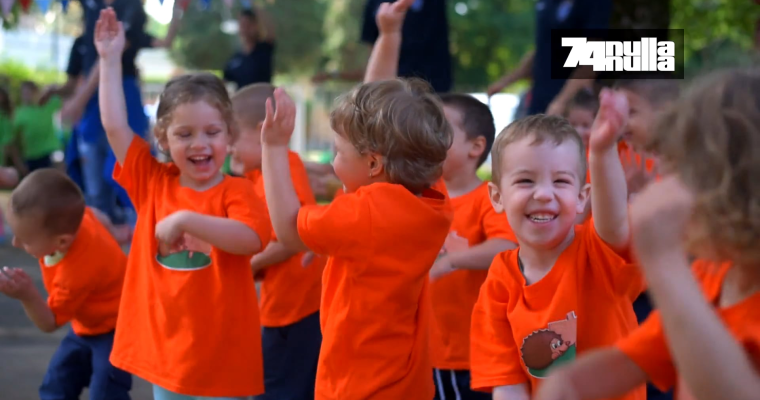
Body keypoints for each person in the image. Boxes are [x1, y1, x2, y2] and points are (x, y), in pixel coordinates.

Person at [535, 68, 760, 400]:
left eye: (682, 168)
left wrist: (663, 261)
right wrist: (565, 385)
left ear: (741, 186)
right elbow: (626, 363)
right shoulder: (711, 276)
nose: (665, 180)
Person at [95, 8, 271, 399]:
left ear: (229, 135)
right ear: (163, 139)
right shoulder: (152, 182)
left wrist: (188, 221)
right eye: (184, 133)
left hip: (221, 360)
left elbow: (251, 239)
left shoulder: (237, 191)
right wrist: (110, 60)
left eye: (212, 132)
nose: (200, 144)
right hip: (167, 357)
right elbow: (113, 125)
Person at [260, 70, 453, 400]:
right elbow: (394, 131)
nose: (333, 160)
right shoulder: (433, 200)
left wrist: (274, 147)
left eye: (337, 152)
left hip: (357, 383)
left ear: (374, 163)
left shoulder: (367, 213)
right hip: (406, 382)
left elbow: (289, 231)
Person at [363, 3, 518, 398]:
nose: (427, 137)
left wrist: (451, 262)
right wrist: (388, 35)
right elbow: (371, 113)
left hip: (472, 356)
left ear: (476, 147)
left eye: (441, 129)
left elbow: (506, 246)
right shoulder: (420, 194)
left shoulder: (488, 199)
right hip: (429, 355)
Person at [469, 92, 646, 400]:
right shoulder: (499, 280)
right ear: (497, 197)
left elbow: (615, 222)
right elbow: (507, 383)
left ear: (582, 197)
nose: (543, 194)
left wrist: (602, 152)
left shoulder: (597, 253)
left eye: (561, 182)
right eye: (525, 181)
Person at [0, 168, 130, 400]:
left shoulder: (75, 275)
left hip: (116, 328)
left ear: (61, 241)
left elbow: (49, 322)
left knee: (106, 391)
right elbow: (95, 213)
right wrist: (114, 235)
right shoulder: (79, 220)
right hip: (88, 323)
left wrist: (26, 294)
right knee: (58, 382)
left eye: (26, 240)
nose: (16, 243)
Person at [229, 83, 323, 400]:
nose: (228, 150)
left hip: (299, 307)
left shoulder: (280, 168)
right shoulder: (259, 175)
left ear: (261, 130)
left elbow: (292, 239)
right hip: (282, 303)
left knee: (279, 389)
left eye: (231, 139)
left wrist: (249, 264)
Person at [78, 0, 182, 226]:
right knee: (96, 177)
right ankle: (105, 237)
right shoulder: (91, 8)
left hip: (116, 91)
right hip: (95, 98)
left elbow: (163, 42)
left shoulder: (129, 9)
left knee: (125, 168)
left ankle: (139, 224)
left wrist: (177, 13)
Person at [487, 0, 613, 115]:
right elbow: (543, 48)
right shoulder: (547, 4)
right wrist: (504, 82)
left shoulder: (596, 4)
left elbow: (592, 59)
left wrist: (561, 102)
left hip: (572, 110)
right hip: (539, 102)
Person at [313, 0, 453, 93]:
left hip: (432, 86)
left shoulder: (434, 3)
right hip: (391, 87)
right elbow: (370, 52)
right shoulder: (374, 4)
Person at [12, 81, 63, 174]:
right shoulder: (20, 113)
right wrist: (19, 164)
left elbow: (66, 95)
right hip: (31, 156)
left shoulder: (49, 105)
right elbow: (13, 139)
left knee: (52, 182)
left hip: (49, 152)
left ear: (36, 92)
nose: (26, 95)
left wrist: (51, 90)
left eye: (29, 92)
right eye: (24, 93)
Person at [223, 6, 277, 90]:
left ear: (256, 26)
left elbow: (270, 30)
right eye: (242, 24)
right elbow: (224, 82)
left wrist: (257, 6)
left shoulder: (264, 49)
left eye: (248, 24)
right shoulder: (235, 58)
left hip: (262, 101)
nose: (245, 29)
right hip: (241, 101)